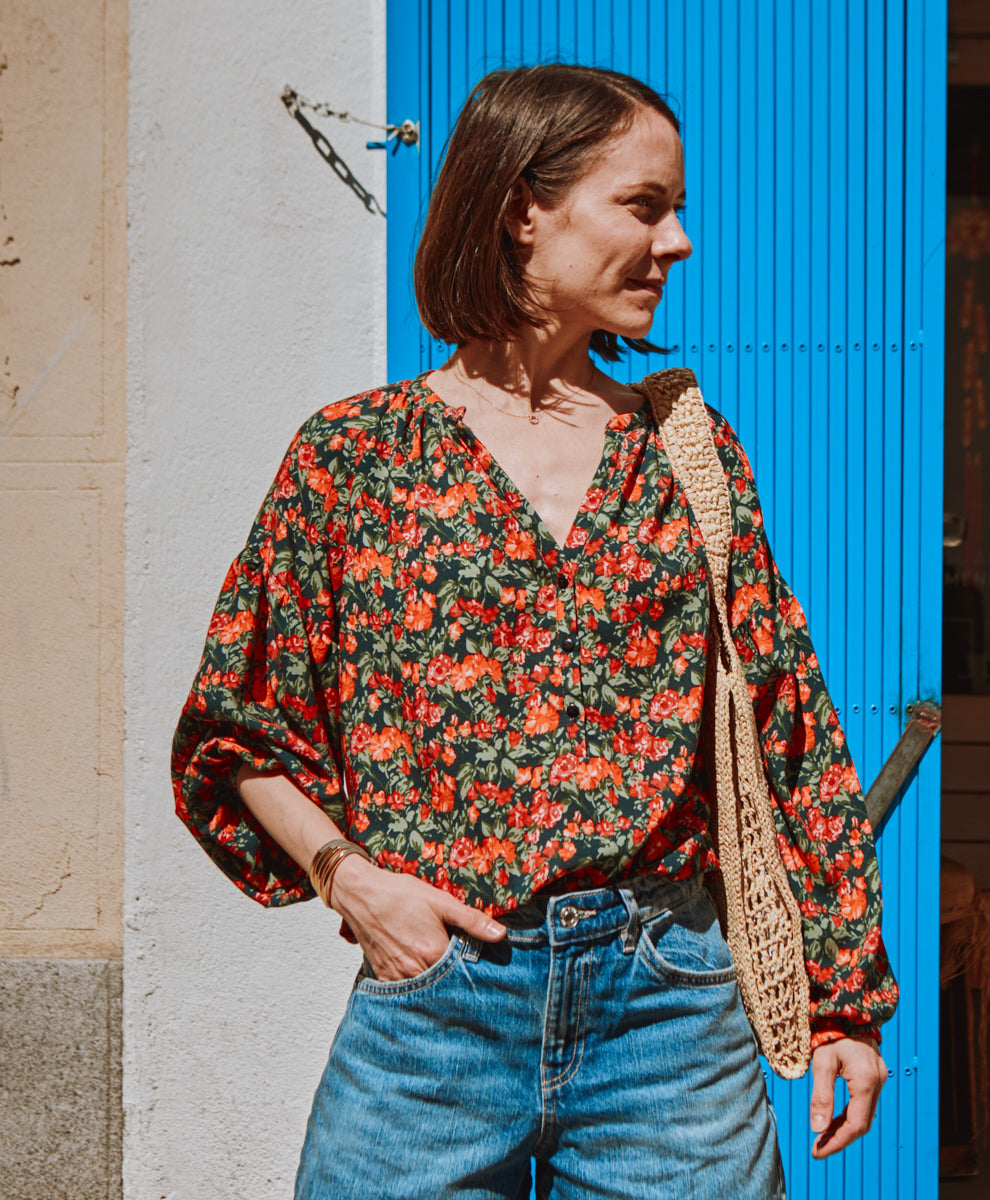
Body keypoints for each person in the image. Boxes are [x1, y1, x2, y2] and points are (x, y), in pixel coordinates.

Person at [173, 63, 897, 1200]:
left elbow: (788, 732)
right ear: (523, 208)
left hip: (670, 1016)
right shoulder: (355, 459)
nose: (678, 242)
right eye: (644, 205)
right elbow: (238, 730)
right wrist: (351, 881)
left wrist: (842, 1001)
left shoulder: (689, 454)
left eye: (675, 209)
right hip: (436, 1010)